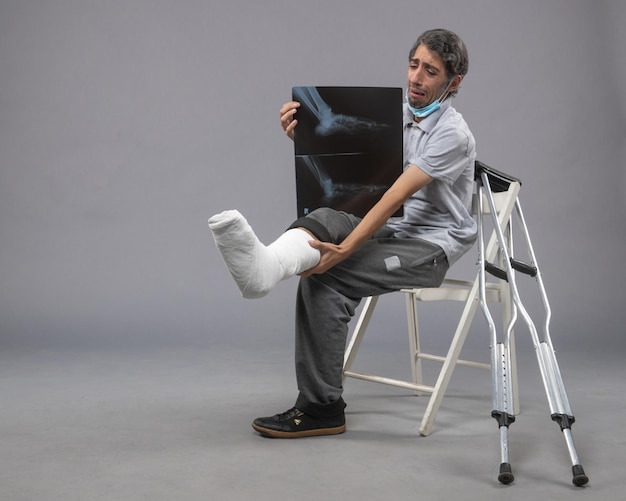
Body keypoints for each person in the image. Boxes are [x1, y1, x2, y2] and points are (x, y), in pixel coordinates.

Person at [209, 28, 476, 438]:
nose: (416, 78)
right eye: (413, 64)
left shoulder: (452, 135)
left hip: (429, 246)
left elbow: (391, 195)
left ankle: (321, 408)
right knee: (328, 218)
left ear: (453, 83)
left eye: (431, 72)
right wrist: (306, 137)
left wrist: (345, 248)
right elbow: (358, 179)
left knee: (327, 273)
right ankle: (265, 267)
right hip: (390, 226)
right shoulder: (396, 116)